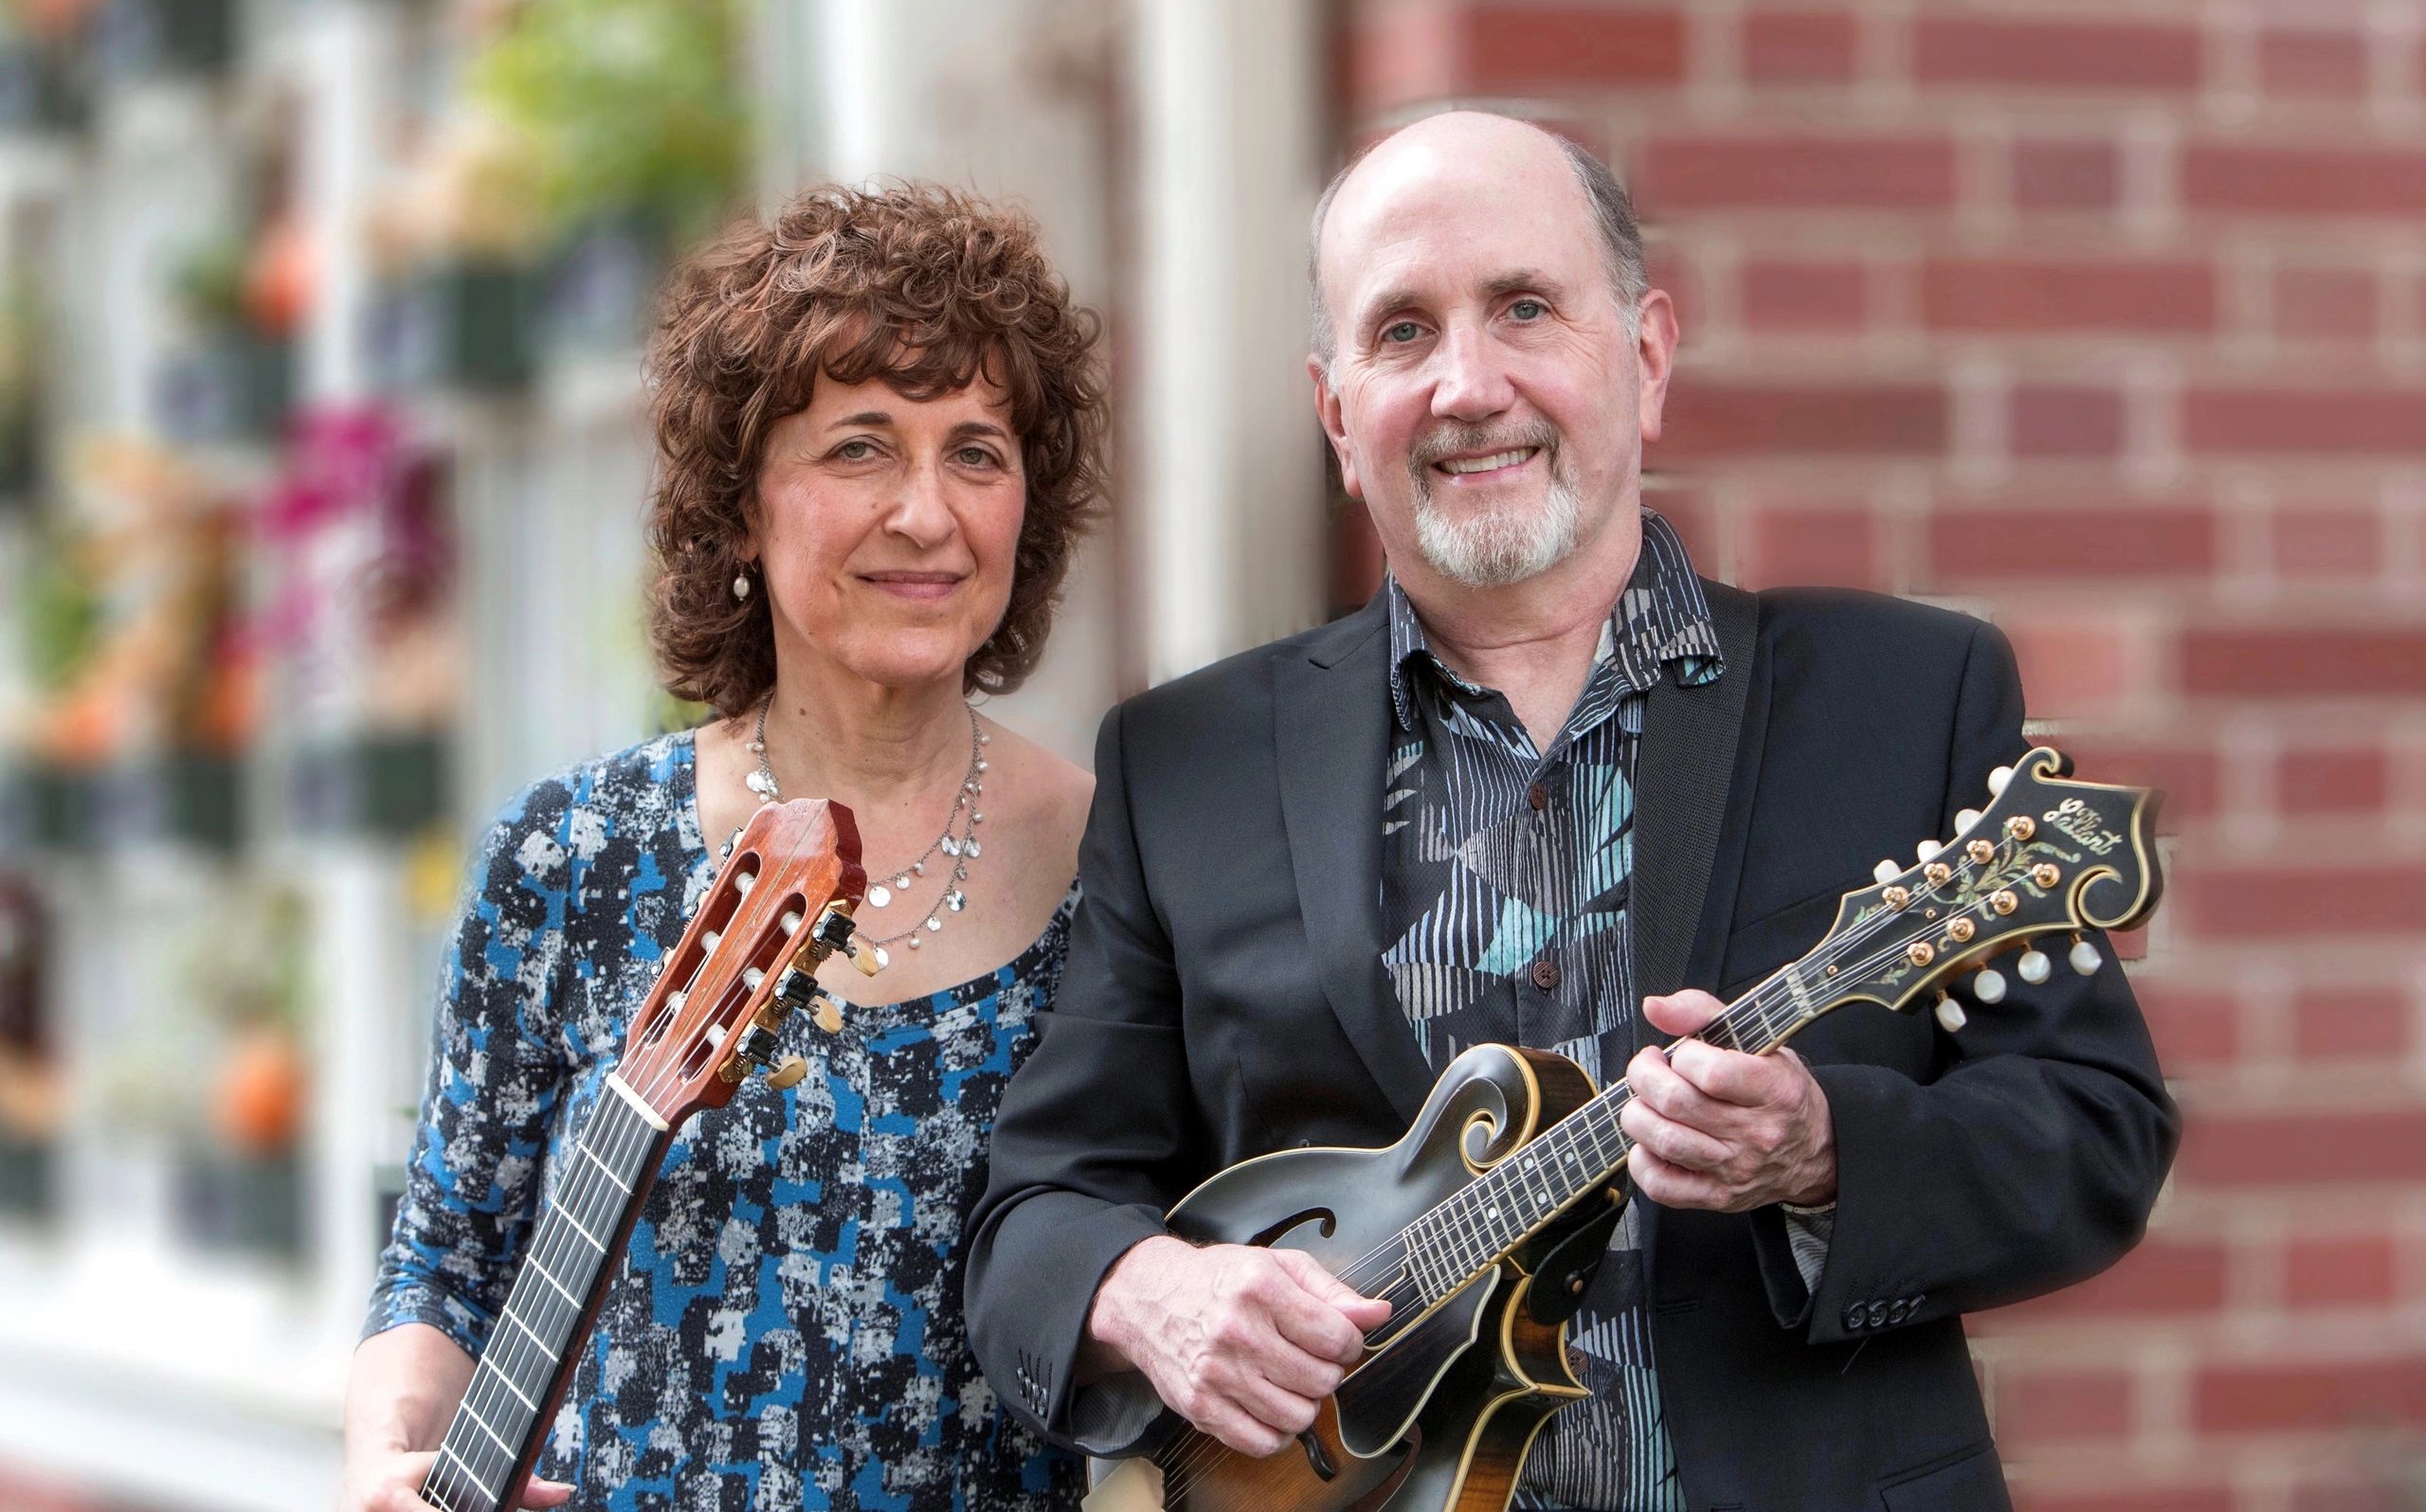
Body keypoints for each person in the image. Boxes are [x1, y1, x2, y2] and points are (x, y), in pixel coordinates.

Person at [965, 112, 2179, 1512]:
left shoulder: (1905, 696)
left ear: (1646, 359)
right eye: (1403, 332)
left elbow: (2096, 1131)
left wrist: (1826, 1152)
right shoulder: (1188, 764)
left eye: (1525, 308)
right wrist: (1153, 1293)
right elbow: (1034, 1216)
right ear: (1339, 416)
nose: (1468, 384)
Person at [345, 183, 1106, 1512]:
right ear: (740, 507)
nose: (928, 513)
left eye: (978, 453)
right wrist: (388, 1452)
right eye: (861, 449)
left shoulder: (1121, 869)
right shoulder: (571, 858)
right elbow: (446, 1258)